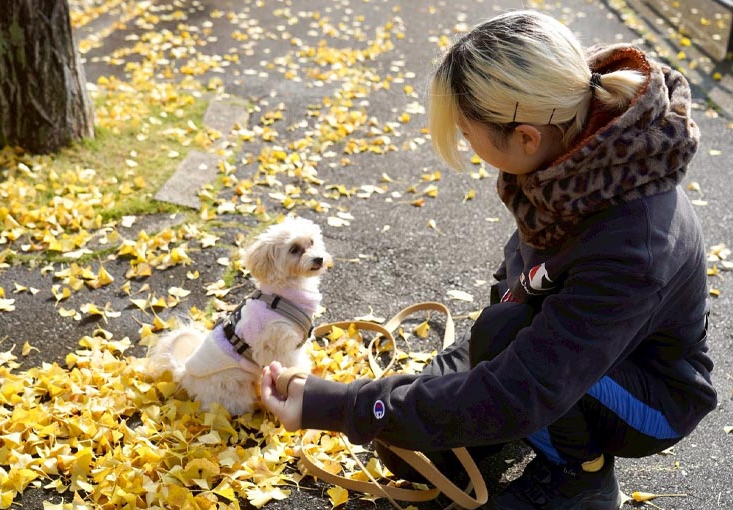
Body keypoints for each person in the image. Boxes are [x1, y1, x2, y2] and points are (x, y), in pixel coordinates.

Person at [260, 9, 716, 510]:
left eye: (466, 131)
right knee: (412, 439)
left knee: (489, 363)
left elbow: (523, 386)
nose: (465, 144)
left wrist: (341, 405)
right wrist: (435, 384)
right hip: (563, 349)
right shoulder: (572, 148)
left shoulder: (631, 242)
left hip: (651, 399)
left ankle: (581, 477)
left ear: (524, 137)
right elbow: (518, 288)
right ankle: (521, 430)